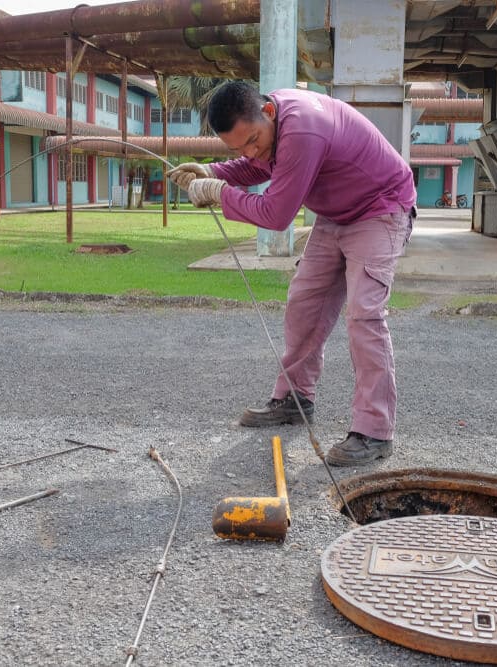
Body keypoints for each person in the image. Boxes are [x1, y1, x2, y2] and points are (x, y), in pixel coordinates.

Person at [166, 82, 415, 467]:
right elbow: (258, 162)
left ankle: (375, 432)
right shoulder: (270, 124)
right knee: (304, 305)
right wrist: (213, 170)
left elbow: (276, 214)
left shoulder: (303, 129)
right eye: (238, 149)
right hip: (336, 214)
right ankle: (294, 400)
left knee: (364, 315)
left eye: (252, 140)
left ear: (267, 112)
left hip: (381, 207)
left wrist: (219, 191)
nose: (250, 152)